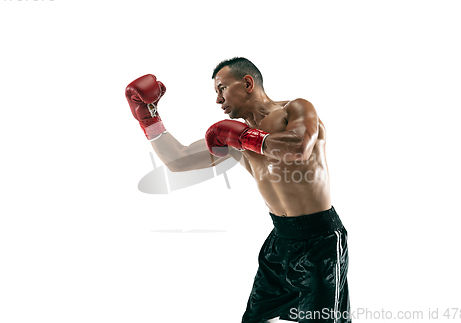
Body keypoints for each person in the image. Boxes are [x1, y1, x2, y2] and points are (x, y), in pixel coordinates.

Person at [125, 57, 351, 322]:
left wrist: (245, 138)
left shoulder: (295, 108)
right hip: (280, 241)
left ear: (247, 83)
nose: (218, 100)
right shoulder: (232, 137)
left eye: (221, 88)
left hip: (320, 241)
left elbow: (299, 148)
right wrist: (149, 118)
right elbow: (178, 160)